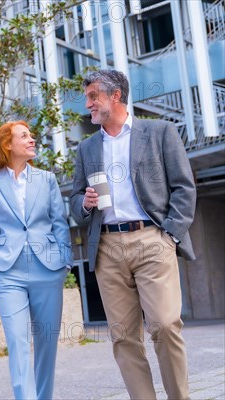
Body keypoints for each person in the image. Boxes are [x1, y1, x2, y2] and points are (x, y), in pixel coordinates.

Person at [69, 69, 196, 400]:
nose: (88, 105)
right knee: (124, 337)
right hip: (107, 246)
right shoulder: (86, 148)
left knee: (166, 325)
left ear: (114, 96)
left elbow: (184, 187)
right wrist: (84, 202)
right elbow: (75, 199)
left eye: (93, 96)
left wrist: (169, 234)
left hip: (152, 239)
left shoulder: (159, 132)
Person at [0, 120, 72, 400]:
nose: (32, 140)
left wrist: (64, 261)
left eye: (31, 135)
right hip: (8, 271)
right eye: (24, 136)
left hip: (48, 269)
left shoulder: (46, 179)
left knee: (47, 343)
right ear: (7, 144)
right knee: (18, 343)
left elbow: (60, 223)